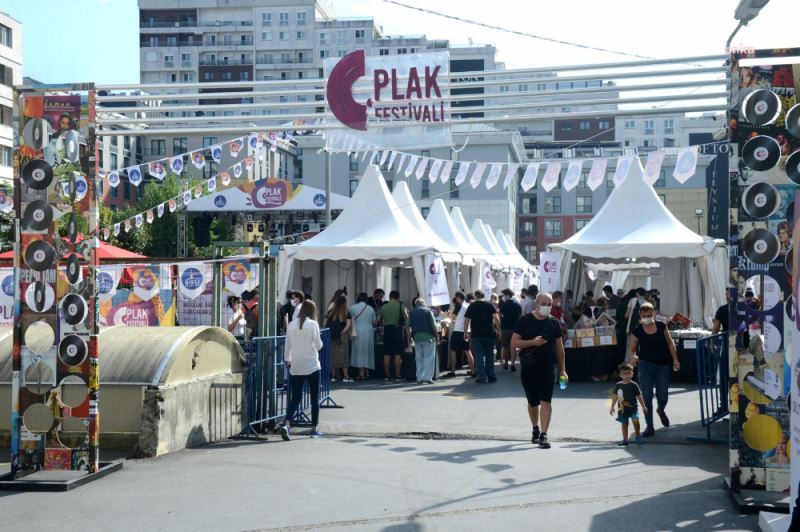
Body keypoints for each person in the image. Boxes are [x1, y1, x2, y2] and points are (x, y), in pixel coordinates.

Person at [511, 292, 568, 449]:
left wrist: (562, 370)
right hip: (529, 366)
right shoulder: (525, 320)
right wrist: (532, 342)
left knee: (546, 401)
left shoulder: (553, 323)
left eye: (550, 304)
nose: (547, 307)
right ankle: (535, 428)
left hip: (547, 367)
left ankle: (544, 434)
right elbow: (514, 341)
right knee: (532, 402)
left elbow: (559, 347)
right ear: (537, 304)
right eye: (544, 303)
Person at [629, 303, 680, 438]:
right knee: (647, 396)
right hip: (645, 365)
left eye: (649, 315)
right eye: (644, 316)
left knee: (663, 395)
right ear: (640, 315)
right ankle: (649, 426)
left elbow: (670, 343)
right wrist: (633, 356)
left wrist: (675, 359)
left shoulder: (662, 326)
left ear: (654, 314)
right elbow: (632, 348)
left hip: (663, 365)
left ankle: (661, 410)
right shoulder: (637, 330)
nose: (647, 318)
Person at [280, 300, 324, 440]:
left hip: (296, 365)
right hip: (312, 364)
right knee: (314, 397)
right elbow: (318, 346)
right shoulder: (313, 324)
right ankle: (314, 427)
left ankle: (286, 423)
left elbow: (287, 346)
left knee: (296, 398)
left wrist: (288, 360)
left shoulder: (291, 325)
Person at [464, 289, 501, 384]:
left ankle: (482, 376)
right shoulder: (489, 305)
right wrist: (499, 330)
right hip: (489, 333)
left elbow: (466, 320)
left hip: (476, 334)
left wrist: (465, 332)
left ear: (476, 296)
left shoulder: (472, 306)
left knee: (479, 355)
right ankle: (491, 375)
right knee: (489, 354)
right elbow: (496, 318)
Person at [609, 363, 647, 446]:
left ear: (632, 373)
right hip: (622, 409)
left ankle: (638, 436)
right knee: (624, 424)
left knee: (636, 422)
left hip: (633, 408)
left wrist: (643, 406)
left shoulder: (634, 385)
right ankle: (625, 440)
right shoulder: (618, 385)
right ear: (620, 375)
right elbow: (615, 397)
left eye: (629, 373)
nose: (627, 375)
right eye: (624, 373)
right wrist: (612, 407)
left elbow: (639, 396)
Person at [378, 290, 408, 382]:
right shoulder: (401, 306)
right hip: (397, 331)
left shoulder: (384, 306)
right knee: (397, 354)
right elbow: (406, 319)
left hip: (387, 331)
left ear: (390, 297)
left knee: (386, 354)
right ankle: (397, 375)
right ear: (398, 297)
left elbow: (379, 320)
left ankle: (387, 375)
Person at [445, 292, 475, 378]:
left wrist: (447, 314)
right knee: (467, 351)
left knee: (453, 350)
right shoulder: (468, 306)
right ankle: (473, 371)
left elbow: (452, 318)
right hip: (467, 330)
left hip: (458, 331)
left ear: (458, 298)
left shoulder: (458, 306)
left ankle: (453, 371)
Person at [410, 298, 438, 384]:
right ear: (424, 304)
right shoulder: (428, 312)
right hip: (428, 337)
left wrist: (409, 337)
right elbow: (434, 326)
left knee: (419, 358)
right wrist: (437, 336)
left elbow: (407, 326)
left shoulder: (412, 312)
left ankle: (419, 377)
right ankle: (427, 378)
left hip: (417, 337)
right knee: (429, 357)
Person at [325, 295, 352, 382]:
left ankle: (334, 376)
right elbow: (348, 325)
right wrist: (341, 332)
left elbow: (326, 323)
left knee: (333, 356)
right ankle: (345, 376)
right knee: (344, 356)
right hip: (342, 337)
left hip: (332, 336)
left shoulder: (331, 312)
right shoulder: (346, 312)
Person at [349, 292, 376, 380]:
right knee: (367, 351)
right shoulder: (371, 309)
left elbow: (350, 319)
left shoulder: (353, 307)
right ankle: (367, 372)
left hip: (357, 331)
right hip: (369, 331)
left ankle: (361, 373)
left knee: (359, 351)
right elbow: (374, 322)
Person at [499, 288, 522, 371]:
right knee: (513, 347)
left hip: (505, 328)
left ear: (507, 295)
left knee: (505, 347)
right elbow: (520, 317)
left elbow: (500, 317)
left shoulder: (503, 305)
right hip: (515, 329)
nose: (504, 297)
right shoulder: (517, 305)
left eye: (504, 295)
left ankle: (505, 363)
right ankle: (512, 364)